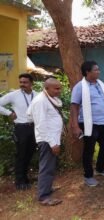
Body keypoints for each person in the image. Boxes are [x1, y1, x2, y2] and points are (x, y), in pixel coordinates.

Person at [70, 61, 104, 187]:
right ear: (87, 72)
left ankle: (100, 168)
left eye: (98, 69)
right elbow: (74, 106)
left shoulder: (100, 84)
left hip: (103, 122)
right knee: (89, 150)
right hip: (89, 124)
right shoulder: (80, 87)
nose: (98, 71)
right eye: (96, 70)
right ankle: (88, 176)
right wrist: (75, 125)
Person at [27, 78, 63, 206]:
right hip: (47, 140)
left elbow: (30, 115)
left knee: (50, 166)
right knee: (46, 168)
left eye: (60, 88)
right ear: (46, 88)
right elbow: (40, 125)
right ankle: (44, 197)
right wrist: (52, 143)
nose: (59, 91)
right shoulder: (40, 101)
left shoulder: (46, 98)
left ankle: (47, 188)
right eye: (56, 88)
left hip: (51, 139)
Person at [0, 74, 38, 190]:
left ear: (32, 83)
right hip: (21, 128)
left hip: (35, 127)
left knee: (30, 153)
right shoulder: (14, 95)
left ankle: (25, 177)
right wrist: (9, 113)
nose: (22, 84)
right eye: (21, 82)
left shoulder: (37, 95)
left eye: (25, 82)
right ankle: (19, 181)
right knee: (21, 154)